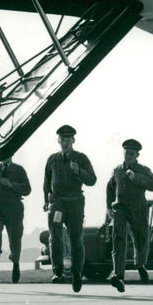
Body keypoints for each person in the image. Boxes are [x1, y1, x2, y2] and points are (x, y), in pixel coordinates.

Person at [43, 124, 96, 292]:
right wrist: (46, 200)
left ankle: (77, 273)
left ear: (73, 140)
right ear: (58, 140)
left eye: (68, 140)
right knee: (55, 236)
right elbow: (46, 182)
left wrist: (78, 171)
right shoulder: (52, 159)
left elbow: (92, 180)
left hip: (75, 202)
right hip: (57, 202)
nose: (65, 143)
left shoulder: (81, 158)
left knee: (76, 239)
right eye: (62, 140)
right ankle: (57, 272)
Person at [106, 138, 153, 292]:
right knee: (119, 240)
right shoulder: (117, 170)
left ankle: (140, 264)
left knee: (141, 239)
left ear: (137, 155)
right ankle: (119, 276)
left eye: (131, 153)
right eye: (126, 152)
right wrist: (109, 207)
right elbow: (110, 188)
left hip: (138, 208)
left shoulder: (144, 170)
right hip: (121, 208)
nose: (128, 155)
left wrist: (135, 177)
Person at [0, 155, 31, 289]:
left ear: (12, 155)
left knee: (15, 239)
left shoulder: (19, 170)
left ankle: (15, 262)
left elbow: (27, 189)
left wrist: (11, 185)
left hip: (14, 210)